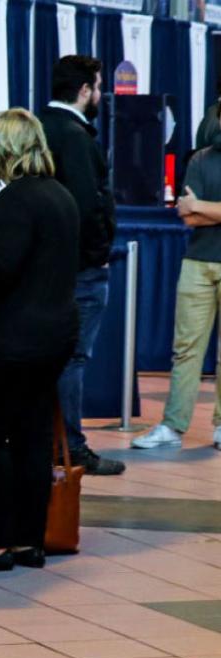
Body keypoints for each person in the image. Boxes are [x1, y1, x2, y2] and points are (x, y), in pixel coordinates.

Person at [0, 109, 80, 572]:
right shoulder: (59, 195)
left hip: (8, 342)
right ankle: (29, 540)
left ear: (2, 151)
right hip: (53, 335)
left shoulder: (15, 202)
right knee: (32, 436)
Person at [38, 55, 125, 476]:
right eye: (98, 85)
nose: (101, 94)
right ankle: (70, 445)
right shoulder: (76, 137)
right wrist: (98, 255)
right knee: (73, 359)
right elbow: (90, 206)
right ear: (86, 90)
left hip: (41, 270)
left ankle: (52, 442)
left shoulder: (37, 129)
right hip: (79, 273)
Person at [132, 106, 221, 452]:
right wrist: (201, 210)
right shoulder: (199, 159)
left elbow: (197, 210)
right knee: (185, 350)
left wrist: (204, 207)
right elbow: (187, 216)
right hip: (197, 262)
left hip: (200, 261)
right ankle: (172, 424)